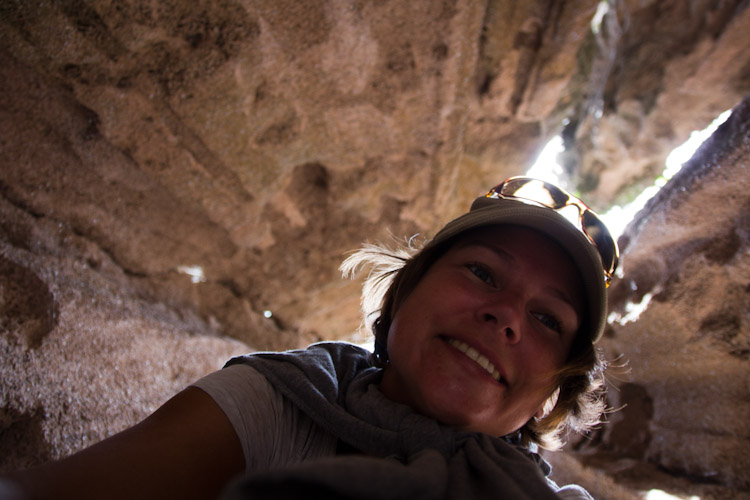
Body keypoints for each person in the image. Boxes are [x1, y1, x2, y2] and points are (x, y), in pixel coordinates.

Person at [0, 176, 618, 500]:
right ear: (403, 296)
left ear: (551, 397)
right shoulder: (284, 401)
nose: (507, 316)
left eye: (547, 321)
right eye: (483, 272)